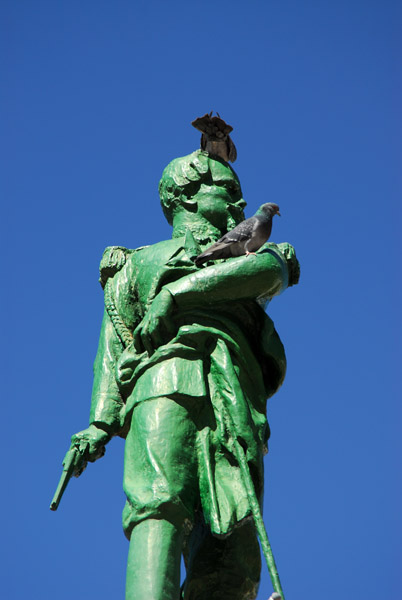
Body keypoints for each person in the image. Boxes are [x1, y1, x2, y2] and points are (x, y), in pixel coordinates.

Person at [69, 149, 299, 600]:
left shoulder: (256, 255)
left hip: (236, 392)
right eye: (226, 190)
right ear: (184, 196)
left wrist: (176, 295)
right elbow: (115, 341)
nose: (238, 204)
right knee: (158, 505)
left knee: (235, 545)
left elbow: (267, 270)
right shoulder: (137, 262)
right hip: (161, 382)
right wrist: (99, 423)